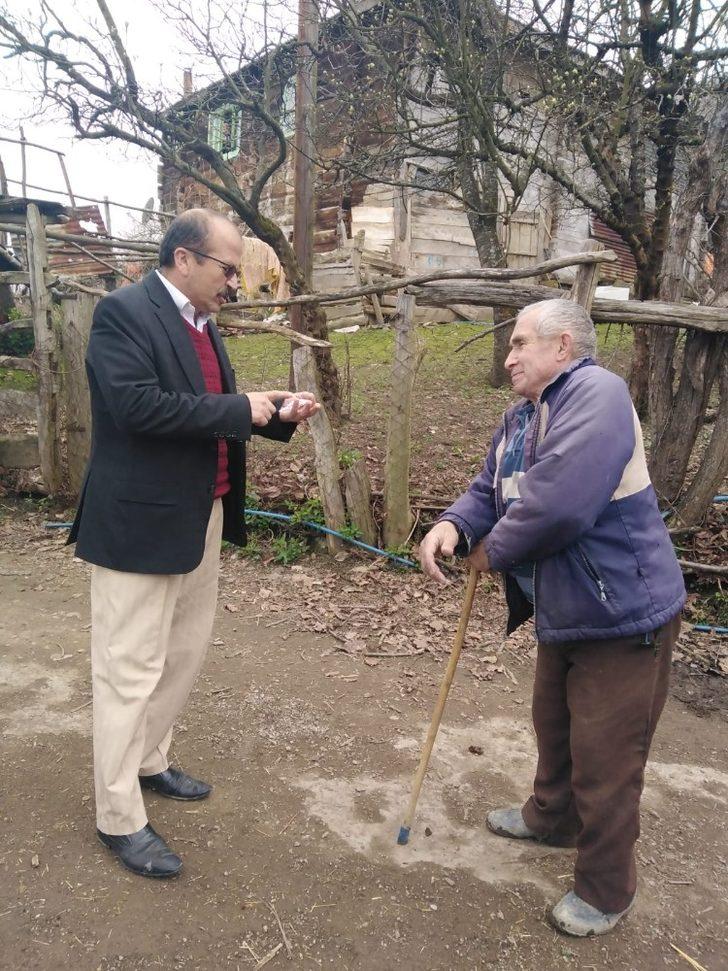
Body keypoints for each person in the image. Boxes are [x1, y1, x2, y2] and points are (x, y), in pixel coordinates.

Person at [419, 299, 685, 937]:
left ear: (562, 347)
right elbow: (492, 489)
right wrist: (455, 525)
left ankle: (606, 889)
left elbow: (559, 505)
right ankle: (551, 819)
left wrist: (491, 554)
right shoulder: (520, 417)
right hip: (568, 608)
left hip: (622, 614)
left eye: (519, 343)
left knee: (606, 758)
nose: (507, 356)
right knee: (556, 727)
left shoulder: (598, 395)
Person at [68, 208, 319, 878]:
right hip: (137, 525)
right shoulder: (125, 312)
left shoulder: (201, 323)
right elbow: (138, 406)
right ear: (184, 258)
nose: (235, 281)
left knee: (180, 655)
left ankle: (149, 760)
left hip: (197, 515)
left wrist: (266, 410)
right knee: (128, 671)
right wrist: (241, 409)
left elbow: (203, 404)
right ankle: (116, 815)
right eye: (227, 267)